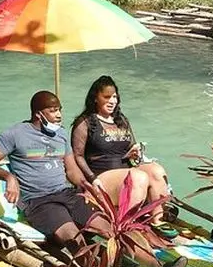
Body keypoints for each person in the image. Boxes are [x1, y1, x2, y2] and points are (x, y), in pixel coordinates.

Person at [0, 91, 186, 267]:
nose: (59, 115)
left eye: (60, 110)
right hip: (39, 202)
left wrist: (88, 185)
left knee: (112, 227)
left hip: (67, 194)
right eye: (53, 111)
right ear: (39, 114)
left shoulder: (59, 134)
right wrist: (9, 177)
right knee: (72, 235)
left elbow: (71, 170)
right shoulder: (16, 134)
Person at [70, 75, 173, 230]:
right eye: (107, 97)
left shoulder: (121, 120)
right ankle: (126, 226)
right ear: (95, 98)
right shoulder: (86, 122)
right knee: (137, 177)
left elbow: (131, 149)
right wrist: (92, 179)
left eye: (114, 97)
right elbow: (77, 155)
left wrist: (134, 154)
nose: (112, 101)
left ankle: (157, 220)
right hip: (101, 177)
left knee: (156, 170)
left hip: (125, 170)